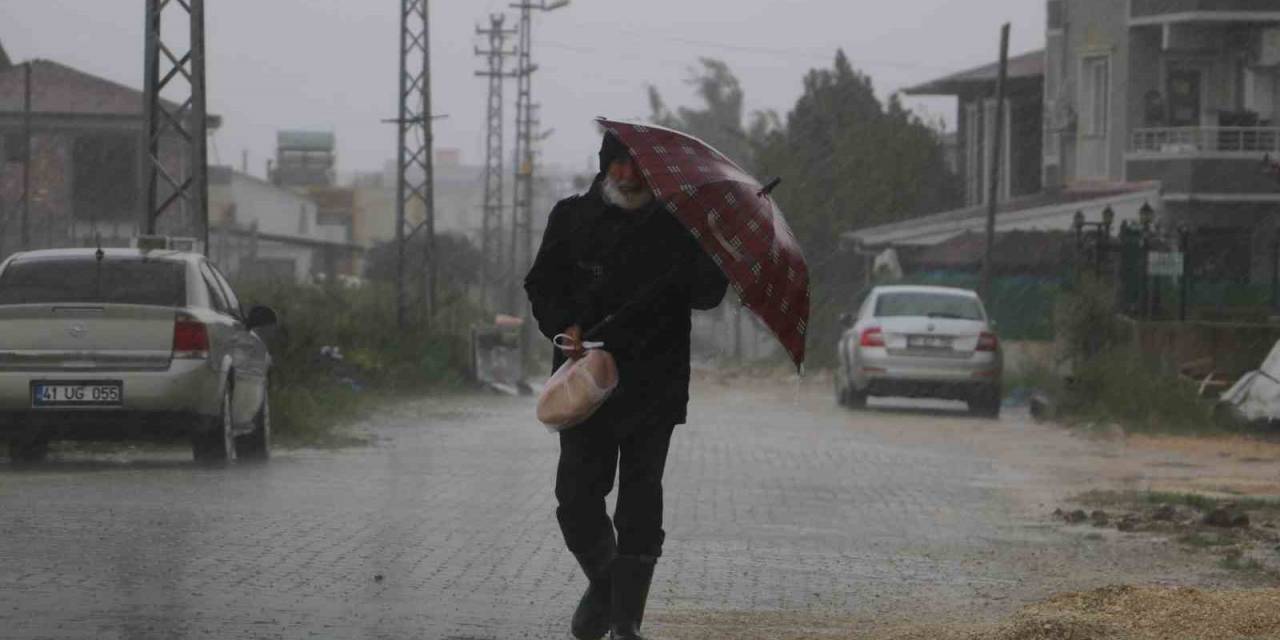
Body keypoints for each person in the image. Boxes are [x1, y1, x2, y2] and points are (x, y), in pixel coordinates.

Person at [524, 132, 728, 640]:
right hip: (586, 384)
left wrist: (711, 241)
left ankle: (626, 621)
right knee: (575, 498)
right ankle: (608, 587)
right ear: (605, 166)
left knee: (640, 502)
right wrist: (564, 324)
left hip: (654, 386)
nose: (629, 176)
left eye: (638, 168)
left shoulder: (679, 225)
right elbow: (541, 284)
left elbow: (707, 295)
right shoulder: (571, 218)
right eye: (619, 165)